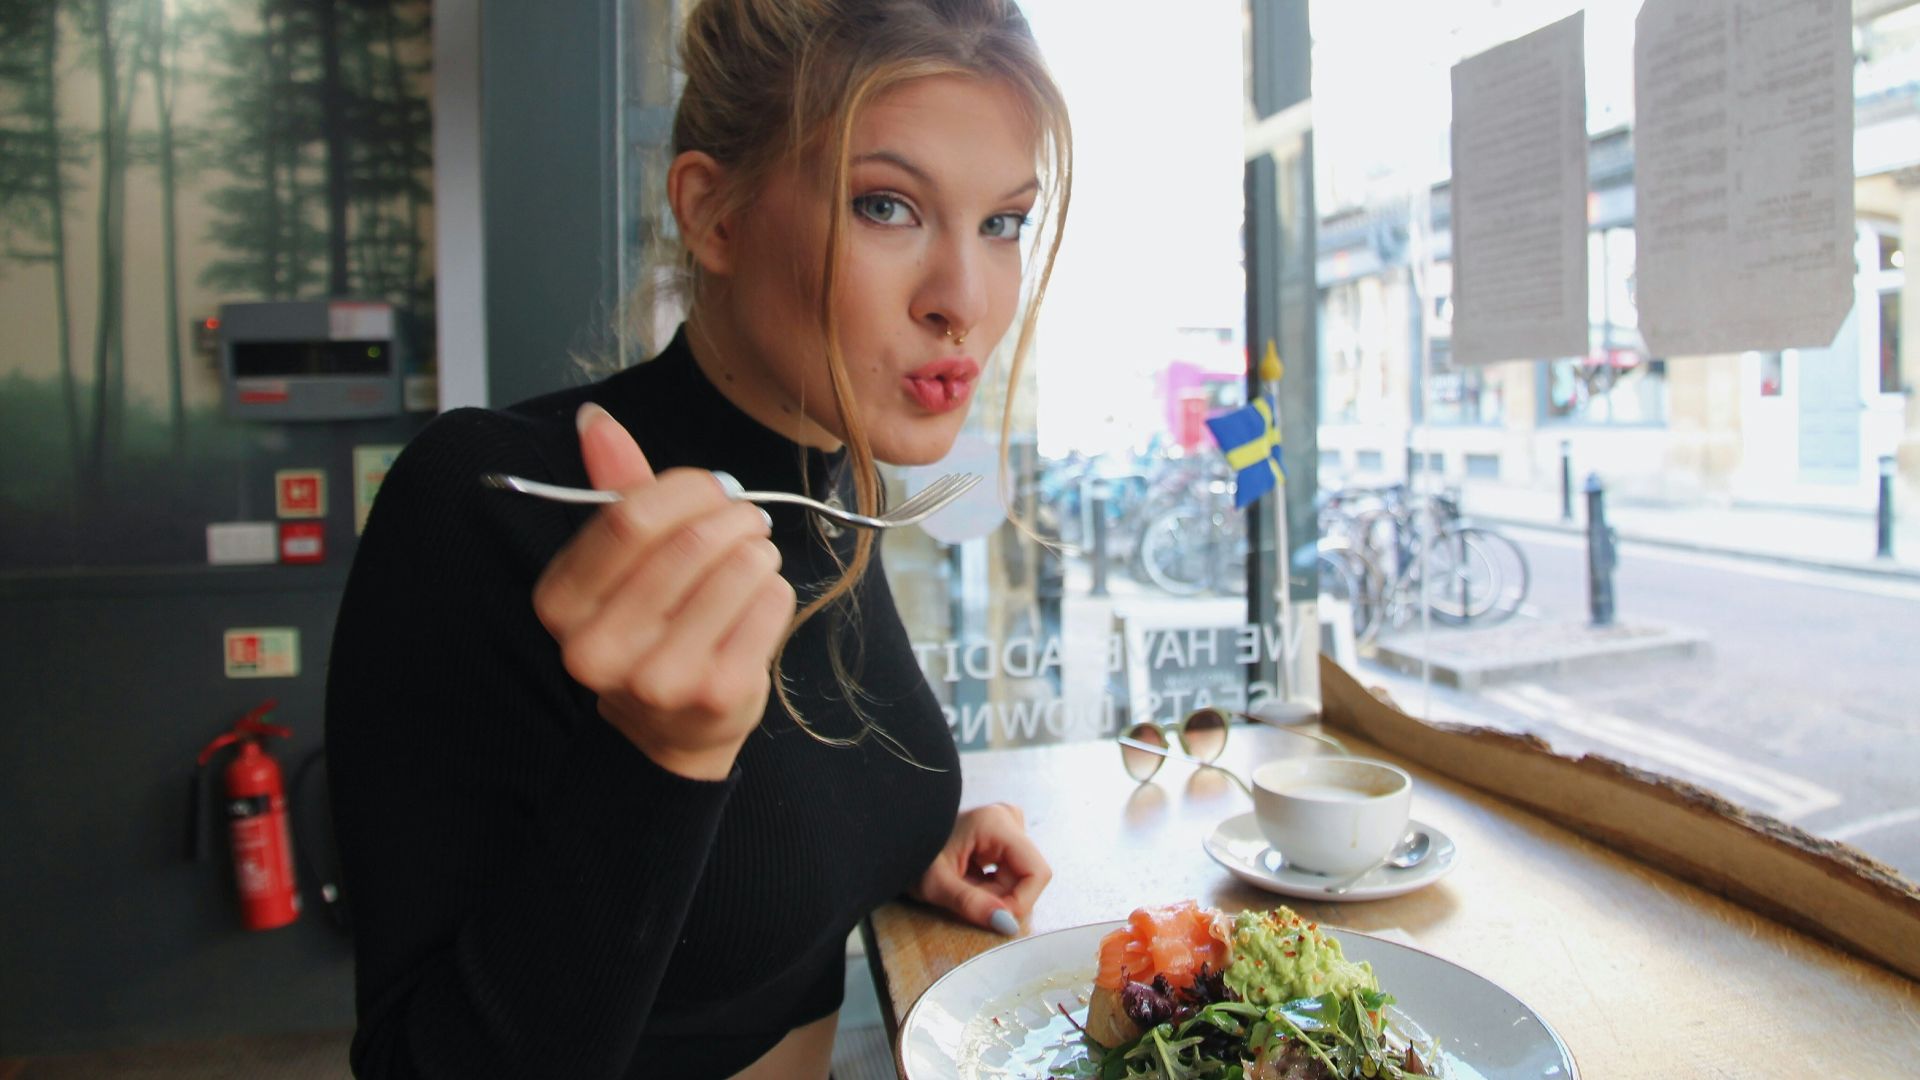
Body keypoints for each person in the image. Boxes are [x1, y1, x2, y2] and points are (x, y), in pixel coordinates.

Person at [324, 1, 1073, 1077]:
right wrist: (658, 757)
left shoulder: (834, 476)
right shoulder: (492, 501)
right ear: (713, 213)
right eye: (887, 206)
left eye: (1002, 222)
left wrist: (900, 845)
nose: (966, 301)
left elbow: (754, 846)